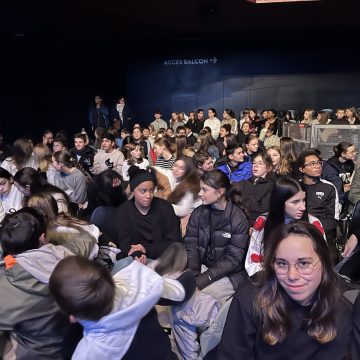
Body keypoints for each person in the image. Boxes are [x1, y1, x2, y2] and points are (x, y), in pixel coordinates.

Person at [216, 222, 352, 360]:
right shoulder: (251, 297)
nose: (292, 276)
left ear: (324, 264)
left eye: (304, 263)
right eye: (282, 263)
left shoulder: (342, 313)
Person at [49, 254, 194, 360]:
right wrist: (189, 275)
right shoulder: (136, 284)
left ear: (72, 317)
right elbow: (182, 290)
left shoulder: (88, 353)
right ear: (109, 276)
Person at [0, 207, 97, 359]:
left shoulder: (3, 287)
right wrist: (52, 234)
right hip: (79, 344)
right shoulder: (67, 255)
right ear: (44, 238)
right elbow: (87, 238)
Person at [184, 170, 249, 300]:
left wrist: (203, 280)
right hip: (203, 267)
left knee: (200, 297)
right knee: (182, 290)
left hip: (229, 274)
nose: (199, 194)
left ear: (220, 192)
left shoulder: (238, 219)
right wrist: (194, 273)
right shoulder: (199, 212)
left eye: (204, 190)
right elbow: (191, 244)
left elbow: (232, 260)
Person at [244, 177, 325, 276]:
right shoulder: (263, 222)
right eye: (295, 202)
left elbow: (322, 260)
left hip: (305, 280)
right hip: (268, 278)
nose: (303, 207)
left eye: (304, 200)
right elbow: (253, 260)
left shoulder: (313, 224)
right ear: (280, 202)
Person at [100, 166, 180, 262]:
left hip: (163, 258)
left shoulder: (165, 208)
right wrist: (138, 255)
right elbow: (124, 242)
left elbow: (174, 242)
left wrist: (146, 250)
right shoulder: (124, 210)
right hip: (134, 257)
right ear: (133, 190)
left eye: (151, 190)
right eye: (143, 191)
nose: (148, 195)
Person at [298, 149, 340, 246]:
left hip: (321, 235)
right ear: (302, 169)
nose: (318, 166)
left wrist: (313, 230)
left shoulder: (329, 187)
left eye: (319, 163)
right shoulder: (295, 186)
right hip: (297, 233)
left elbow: (333, 219)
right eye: (312, 164)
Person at [231, 152, 274, 225]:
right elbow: (234, 204)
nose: (256, 166)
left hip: (257, 224)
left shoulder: (271, 186)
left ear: (268, 167)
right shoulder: (243, 183)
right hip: (239, 221)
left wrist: (244, 204)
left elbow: (263, 208)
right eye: (254, 163)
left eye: (260, 163)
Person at [322, 142, 357, 210]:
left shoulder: (350, 164)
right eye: (352, 152)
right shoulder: (331, 165)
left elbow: (346, 183)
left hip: (343, 195)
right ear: (343, 154)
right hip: (331, 197)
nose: (355, 153)